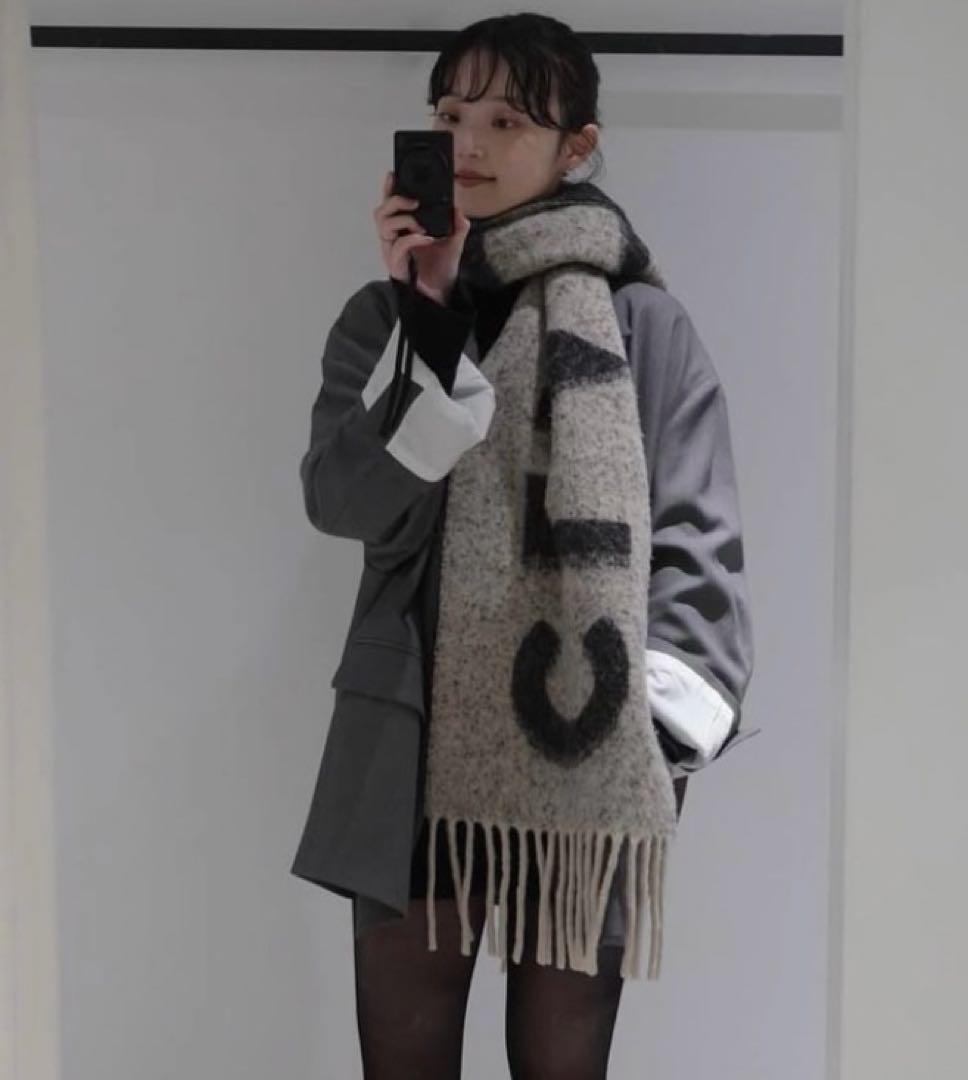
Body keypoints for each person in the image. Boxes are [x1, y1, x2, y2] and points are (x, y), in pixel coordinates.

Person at [296, 12, 756, 1078]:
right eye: (450, 114)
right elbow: (345, 502)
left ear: (575, 146)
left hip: (584, 742)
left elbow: (700, 543)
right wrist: (426, 320)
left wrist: (649, 730)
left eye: (507, 120)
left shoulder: (641, 325)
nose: (468, 143)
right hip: (414, 739)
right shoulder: (384, 319)